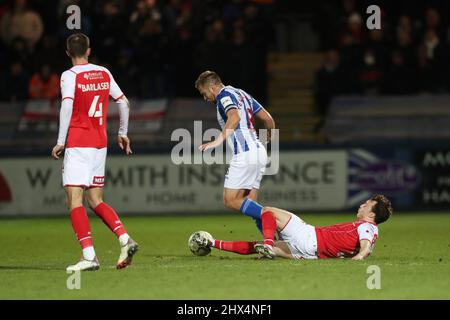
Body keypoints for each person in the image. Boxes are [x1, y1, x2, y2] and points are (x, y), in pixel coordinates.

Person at [51, 33, 138, 271]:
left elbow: (67, 105)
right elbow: (124, 102)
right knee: (95, 199)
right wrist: (122, 132)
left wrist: (60, 141)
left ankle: (89, 256)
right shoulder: (103, 72)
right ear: (89, 50)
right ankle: (124, 239)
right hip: (100, 142)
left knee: (74, 200)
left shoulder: (69, 76)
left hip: (79, 142)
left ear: (67, 52)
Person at [193, 194, 393, 260]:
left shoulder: (367, 227)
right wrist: (357, 253)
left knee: (267, 212)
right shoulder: (372, 231)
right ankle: (210, 242)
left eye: (366, 205)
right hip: (309, 254)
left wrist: (361, 255)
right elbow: (363, 244)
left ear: (372, 214)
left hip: (309, 236)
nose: (361, 205)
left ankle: (268, 240)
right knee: (257, 246)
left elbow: (365, 244)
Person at [195, 70, 275, 233]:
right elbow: (267, 118)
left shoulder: (223, 96)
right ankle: (271, 243)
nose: (205, 98)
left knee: (230, 200)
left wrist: (217, 141)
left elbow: (235, 117)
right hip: (258, 151)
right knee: (249, 202)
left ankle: (271, 216)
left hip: (245, 154)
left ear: (212, 87)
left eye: (204, 93)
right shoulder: (242, 94)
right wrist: (269, 136)